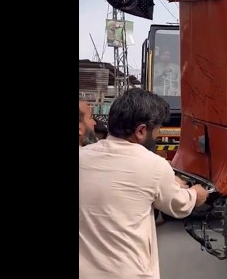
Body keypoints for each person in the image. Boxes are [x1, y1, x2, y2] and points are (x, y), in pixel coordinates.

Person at [79, 88, 209, 279]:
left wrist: (167, 182)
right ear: (141, 131)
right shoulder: (154, 165)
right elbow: (179, 205)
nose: (156, 138)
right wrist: (197, 194)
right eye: (155, 131)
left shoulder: (83, 157)